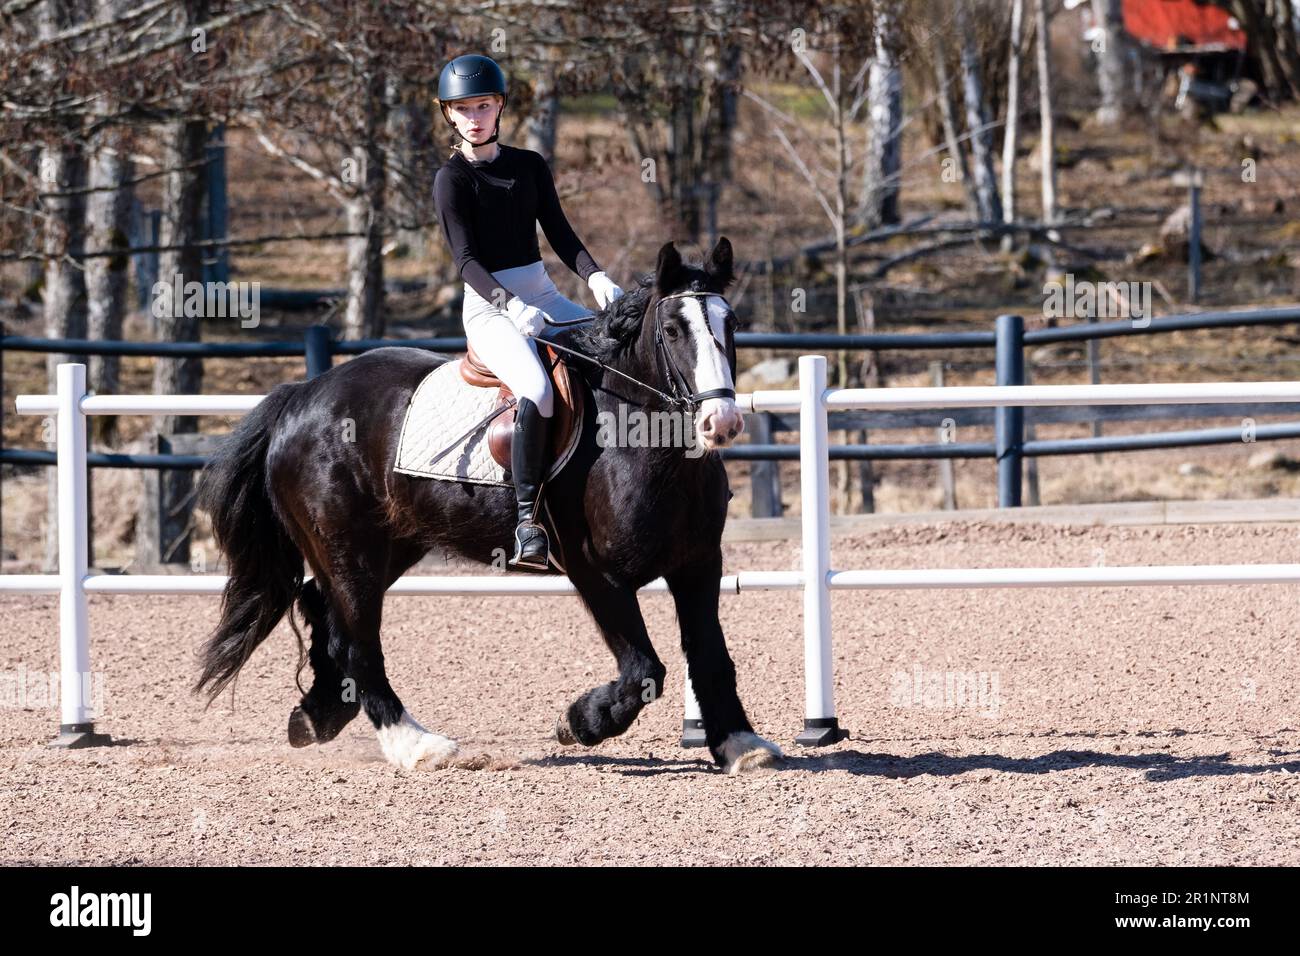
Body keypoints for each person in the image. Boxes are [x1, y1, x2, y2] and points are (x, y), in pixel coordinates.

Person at [433, 53, 623, 572]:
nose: (475, 117)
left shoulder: (529, 166)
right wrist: (509, 306)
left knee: (617, 352)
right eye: (464, 108)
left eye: (484, 105)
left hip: (541, 293)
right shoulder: (451, 181)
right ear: (450, 115)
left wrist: (597, 278)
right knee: (537, 389)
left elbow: (560, 234)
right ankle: (526, 520)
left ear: (500, 108)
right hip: (490, 309)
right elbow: (467, 262)